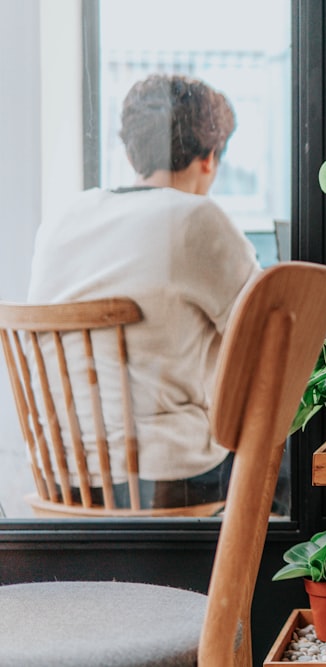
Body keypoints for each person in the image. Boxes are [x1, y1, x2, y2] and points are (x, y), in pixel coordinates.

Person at [27, 73, 261, 509]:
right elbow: (267, 336)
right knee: (293, 460)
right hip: (166, 478)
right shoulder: (195, 218)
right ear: (210, 158)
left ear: (132, 149)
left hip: (64, 478)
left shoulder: (62, 218)